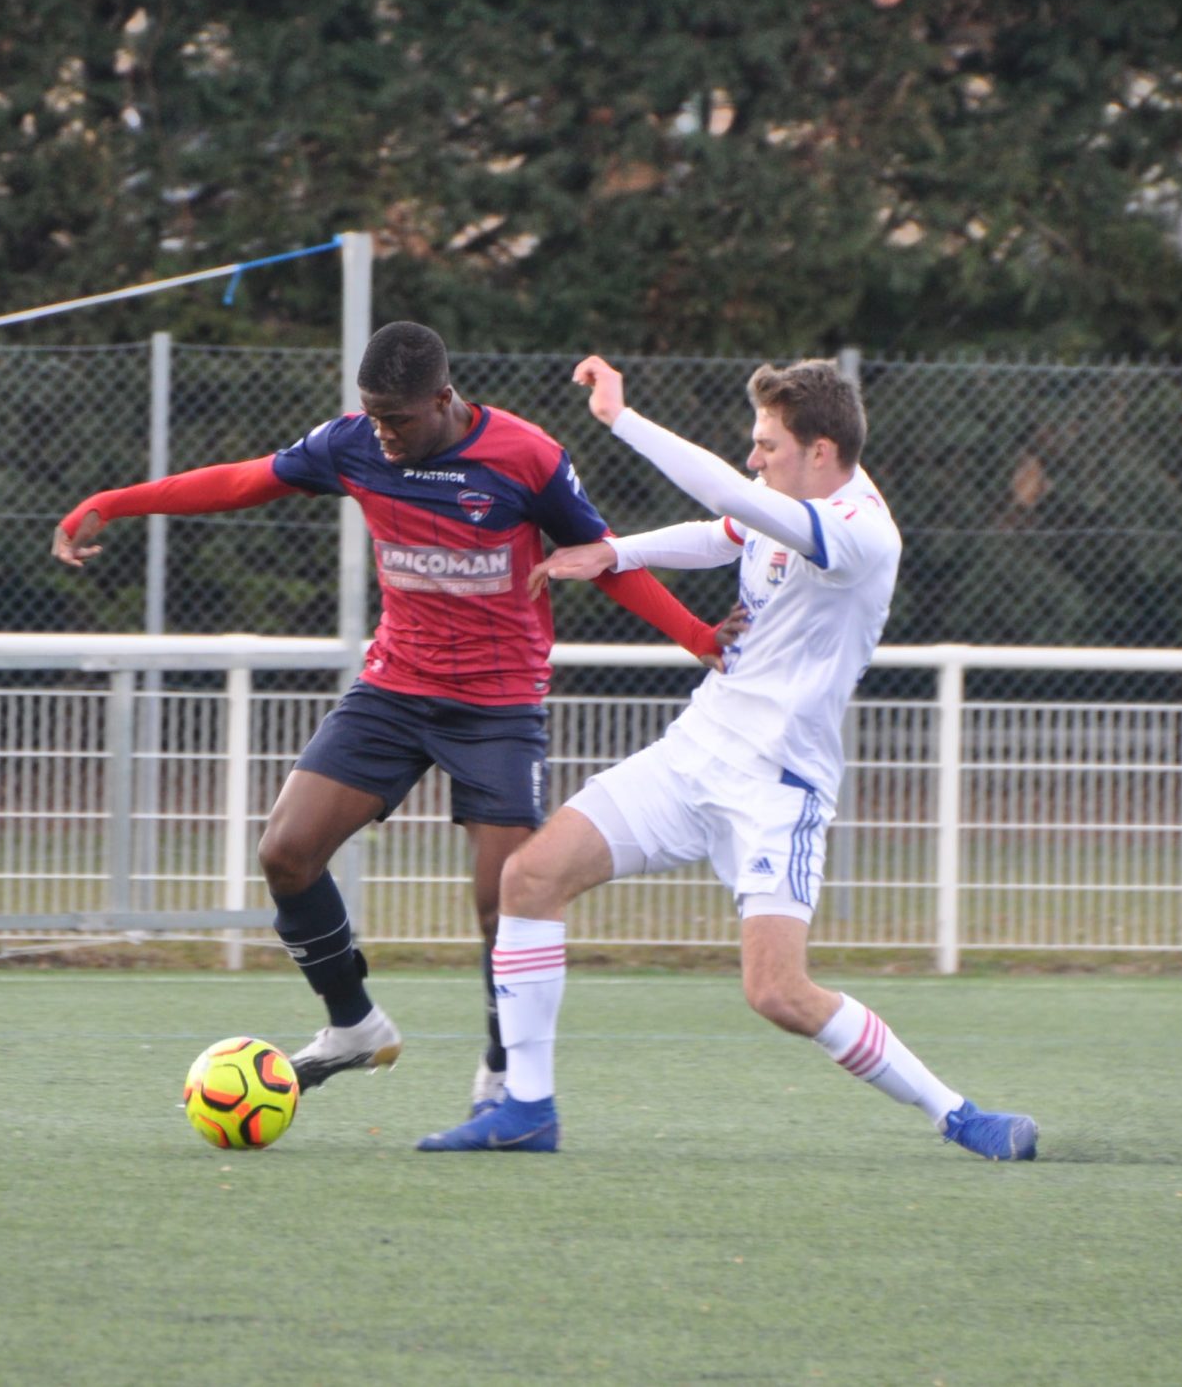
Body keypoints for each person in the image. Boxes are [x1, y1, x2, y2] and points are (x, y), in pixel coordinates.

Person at [53, 322, 729, 1114]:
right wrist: (113, 503)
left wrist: (698, 637)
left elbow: (607, 558)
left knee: (506, 896)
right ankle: (353, 1025)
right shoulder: (354, 447)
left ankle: (506, 1072)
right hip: (394, 688)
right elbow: (244, 481)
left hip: (497, 704)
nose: (383, 433)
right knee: (286, 854)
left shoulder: (525, 456)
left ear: (444, 400)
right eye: (372, 415)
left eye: (398, 418)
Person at [416, 354, 1038, 1160]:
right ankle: (528, 1108)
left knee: (776, 992)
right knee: (529, 879)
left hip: (776, 790)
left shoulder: (861, 533)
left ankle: (958, 1114)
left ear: (821, 452)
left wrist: (621, 421)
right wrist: (616, 553)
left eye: (768, 444)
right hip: (692, 757)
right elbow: (723, 532)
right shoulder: (788, 499)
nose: (755, 458)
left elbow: (728, 498)